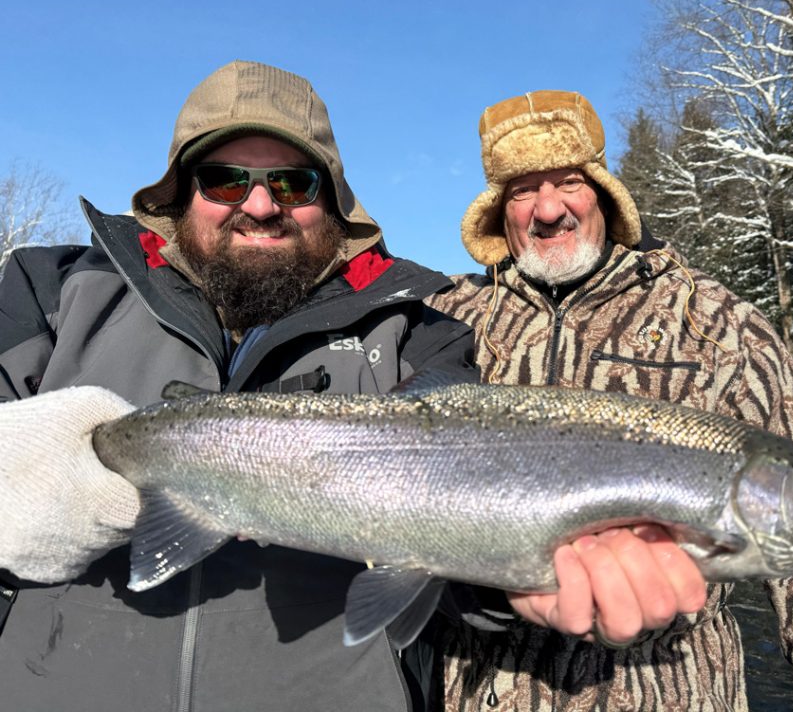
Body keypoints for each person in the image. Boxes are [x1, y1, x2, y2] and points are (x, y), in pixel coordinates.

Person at [0, 60, 486, 711]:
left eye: (292, 182)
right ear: (178, 194)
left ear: (334, 200)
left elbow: (470, 578)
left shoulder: (417, 335)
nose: (260, 206)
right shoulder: (52, 293)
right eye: (225, 181)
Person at [426, 90, 793, 711]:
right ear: (498, 213)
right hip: (479, 684)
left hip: (670, 687)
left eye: (568, 182)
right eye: (521, 191)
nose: (548, 208)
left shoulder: (716, 321)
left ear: (604, 193)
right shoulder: (447, 319)